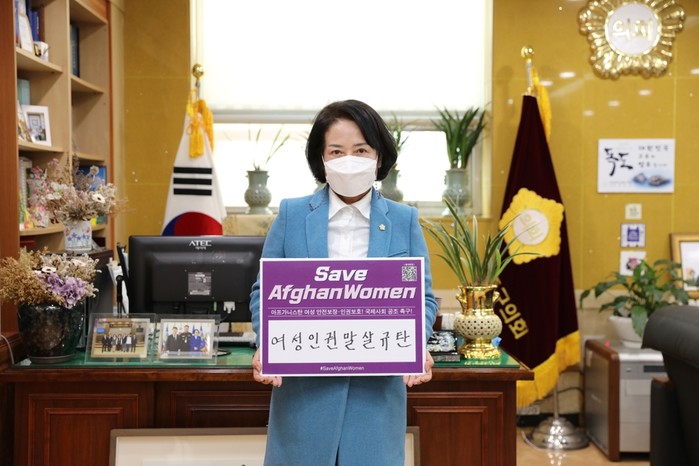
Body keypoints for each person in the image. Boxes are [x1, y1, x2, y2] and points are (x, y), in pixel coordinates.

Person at [250, 99, 438, 466]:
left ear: (378, 158)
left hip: (374, 404)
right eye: (336, 151)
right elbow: (264, 292)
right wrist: (267, 342)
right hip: (304, 403)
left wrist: (416, 343)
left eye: (361, 150)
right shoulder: (291, 214)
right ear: (321, 159)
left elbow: (423, 299)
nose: (348, 160)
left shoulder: (404, 220)